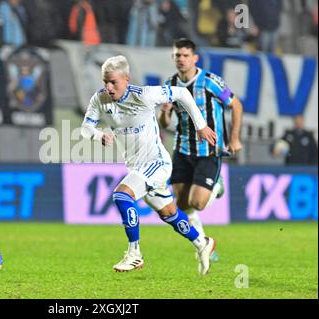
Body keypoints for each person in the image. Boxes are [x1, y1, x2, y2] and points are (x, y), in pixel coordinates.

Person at [81, 55, 217, 275]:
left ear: (127, 79)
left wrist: (200, 125)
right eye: (105, 81)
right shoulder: (100, 99)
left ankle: (134, 253)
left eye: (113, 82)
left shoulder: (144, 95)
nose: (108, 87)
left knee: (122, 195)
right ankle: (203, 242)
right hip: (137, 168)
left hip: (157, 163)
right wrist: (98, 136)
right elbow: (85, 128)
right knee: (170, 214)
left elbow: (181, 93)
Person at [158, 38, 243, 261]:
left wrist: (234, 139)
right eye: (178, 55)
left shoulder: (210, 82)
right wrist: (165, 112)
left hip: (209, 151)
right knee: (183, 204)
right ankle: (204, 243)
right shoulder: (169, 85)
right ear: (173, 58)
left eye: (186, 55)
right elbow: (165, 124)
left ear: (195, 58)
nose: (181, 59)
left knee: (198, 203)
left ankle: (218, 186)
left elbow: (236, 105)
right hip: (182, 150)